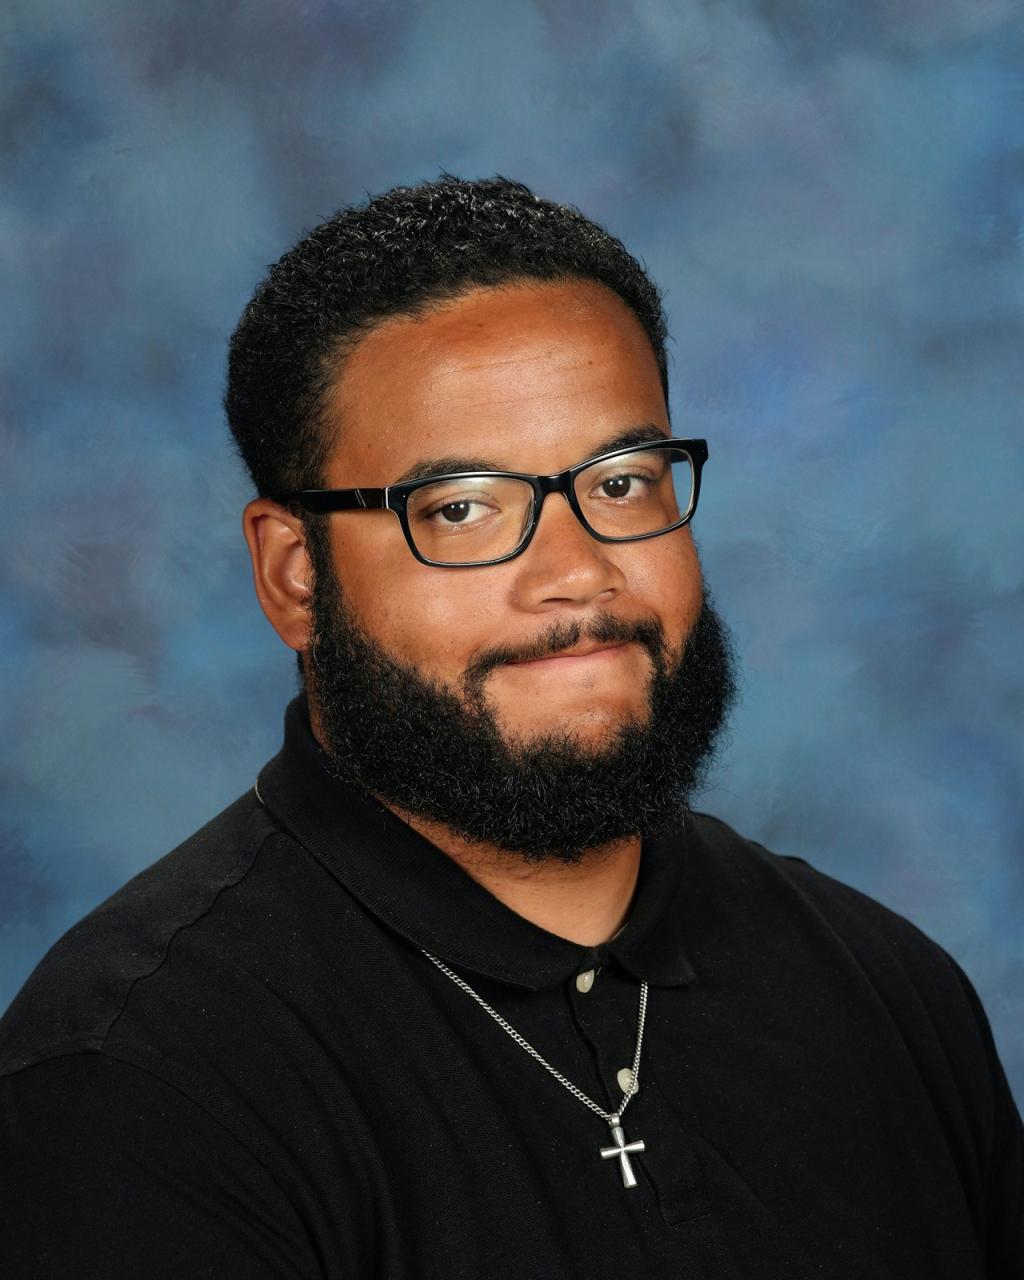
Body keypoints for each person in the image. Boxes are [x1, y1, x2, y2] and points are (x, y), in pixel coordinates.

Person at [0, 174, 1020, 1279]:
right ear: (295, 575)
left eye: (622, 481)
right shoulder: (139, 1080)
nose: (576, 570)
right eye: (462, 508)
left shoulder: (888, 993)